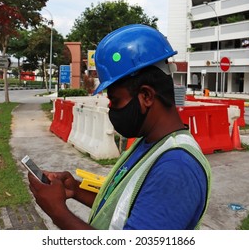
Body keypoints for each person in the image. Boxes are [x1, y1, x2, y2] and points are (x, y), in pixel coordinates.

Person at [27, 24, 212, 230]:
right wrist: (75, 190)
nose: (110, 108)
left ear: (146, 96)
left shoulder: (176, 168)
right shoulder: (151, 144)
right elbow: (128, 207)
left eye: (115, 100)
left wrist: (57, 212)